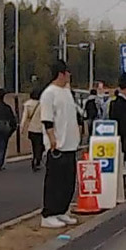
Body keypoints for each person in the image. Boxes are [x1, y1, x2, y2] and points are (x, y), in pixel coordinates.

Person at [40, 59, 81, 229]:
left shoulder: (67, 92)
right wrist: (52, 139)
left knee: (68, 181)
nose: (69, 76)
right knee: (55, 181)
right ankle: (48, 213)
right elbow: (47, 119)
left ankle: (61, 210)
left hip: (71, 144)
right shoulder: (49, 93)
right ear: (61, 74)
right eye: (67, 73)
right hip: (58, 145)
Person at [21, 88, 44, 172]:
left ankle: (35, 157)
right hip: (41, 129)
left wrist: (22, 128)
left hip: (31, 128)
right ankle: (37, 159)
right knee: (41, 145)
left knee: (35, 145)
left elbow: (24, 117)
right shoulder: (42, 104)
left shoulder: (27, 104)